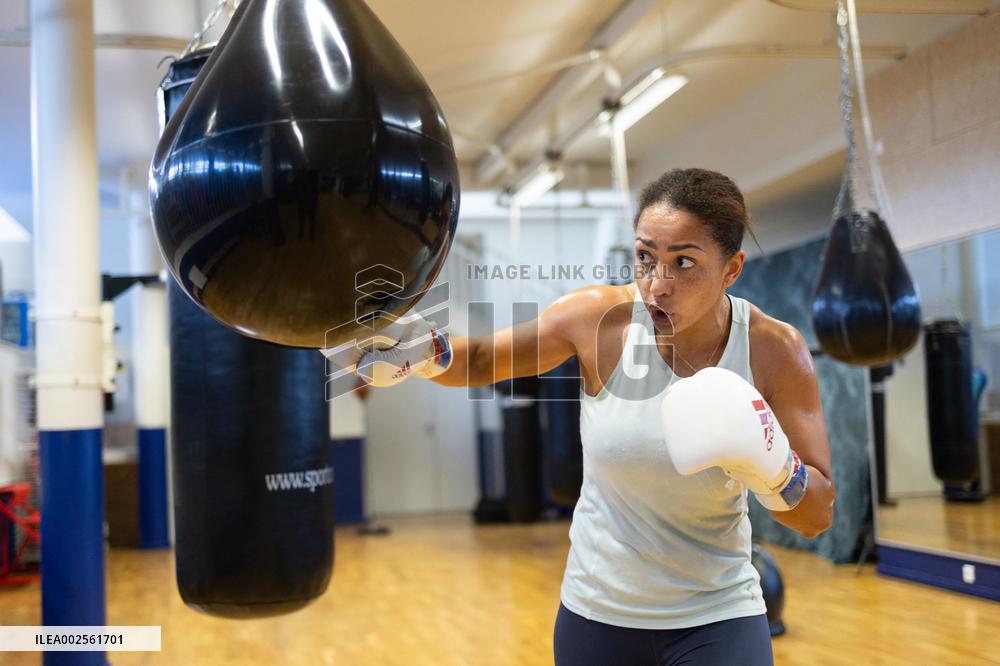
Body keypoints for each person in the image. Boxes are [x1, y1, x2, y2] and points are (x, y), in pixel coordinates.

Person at [324, 168, 836, 665]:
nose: (657, 285)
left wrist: (775, 467)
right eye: (645, 257)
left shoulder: (773, 350)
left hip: (719, 616)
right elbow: (481, 359)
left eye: (683, 262)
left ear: (732, 269)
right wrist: (422, 351)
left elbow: (816, 517)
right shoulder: (597, 320)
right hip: (598, 616)